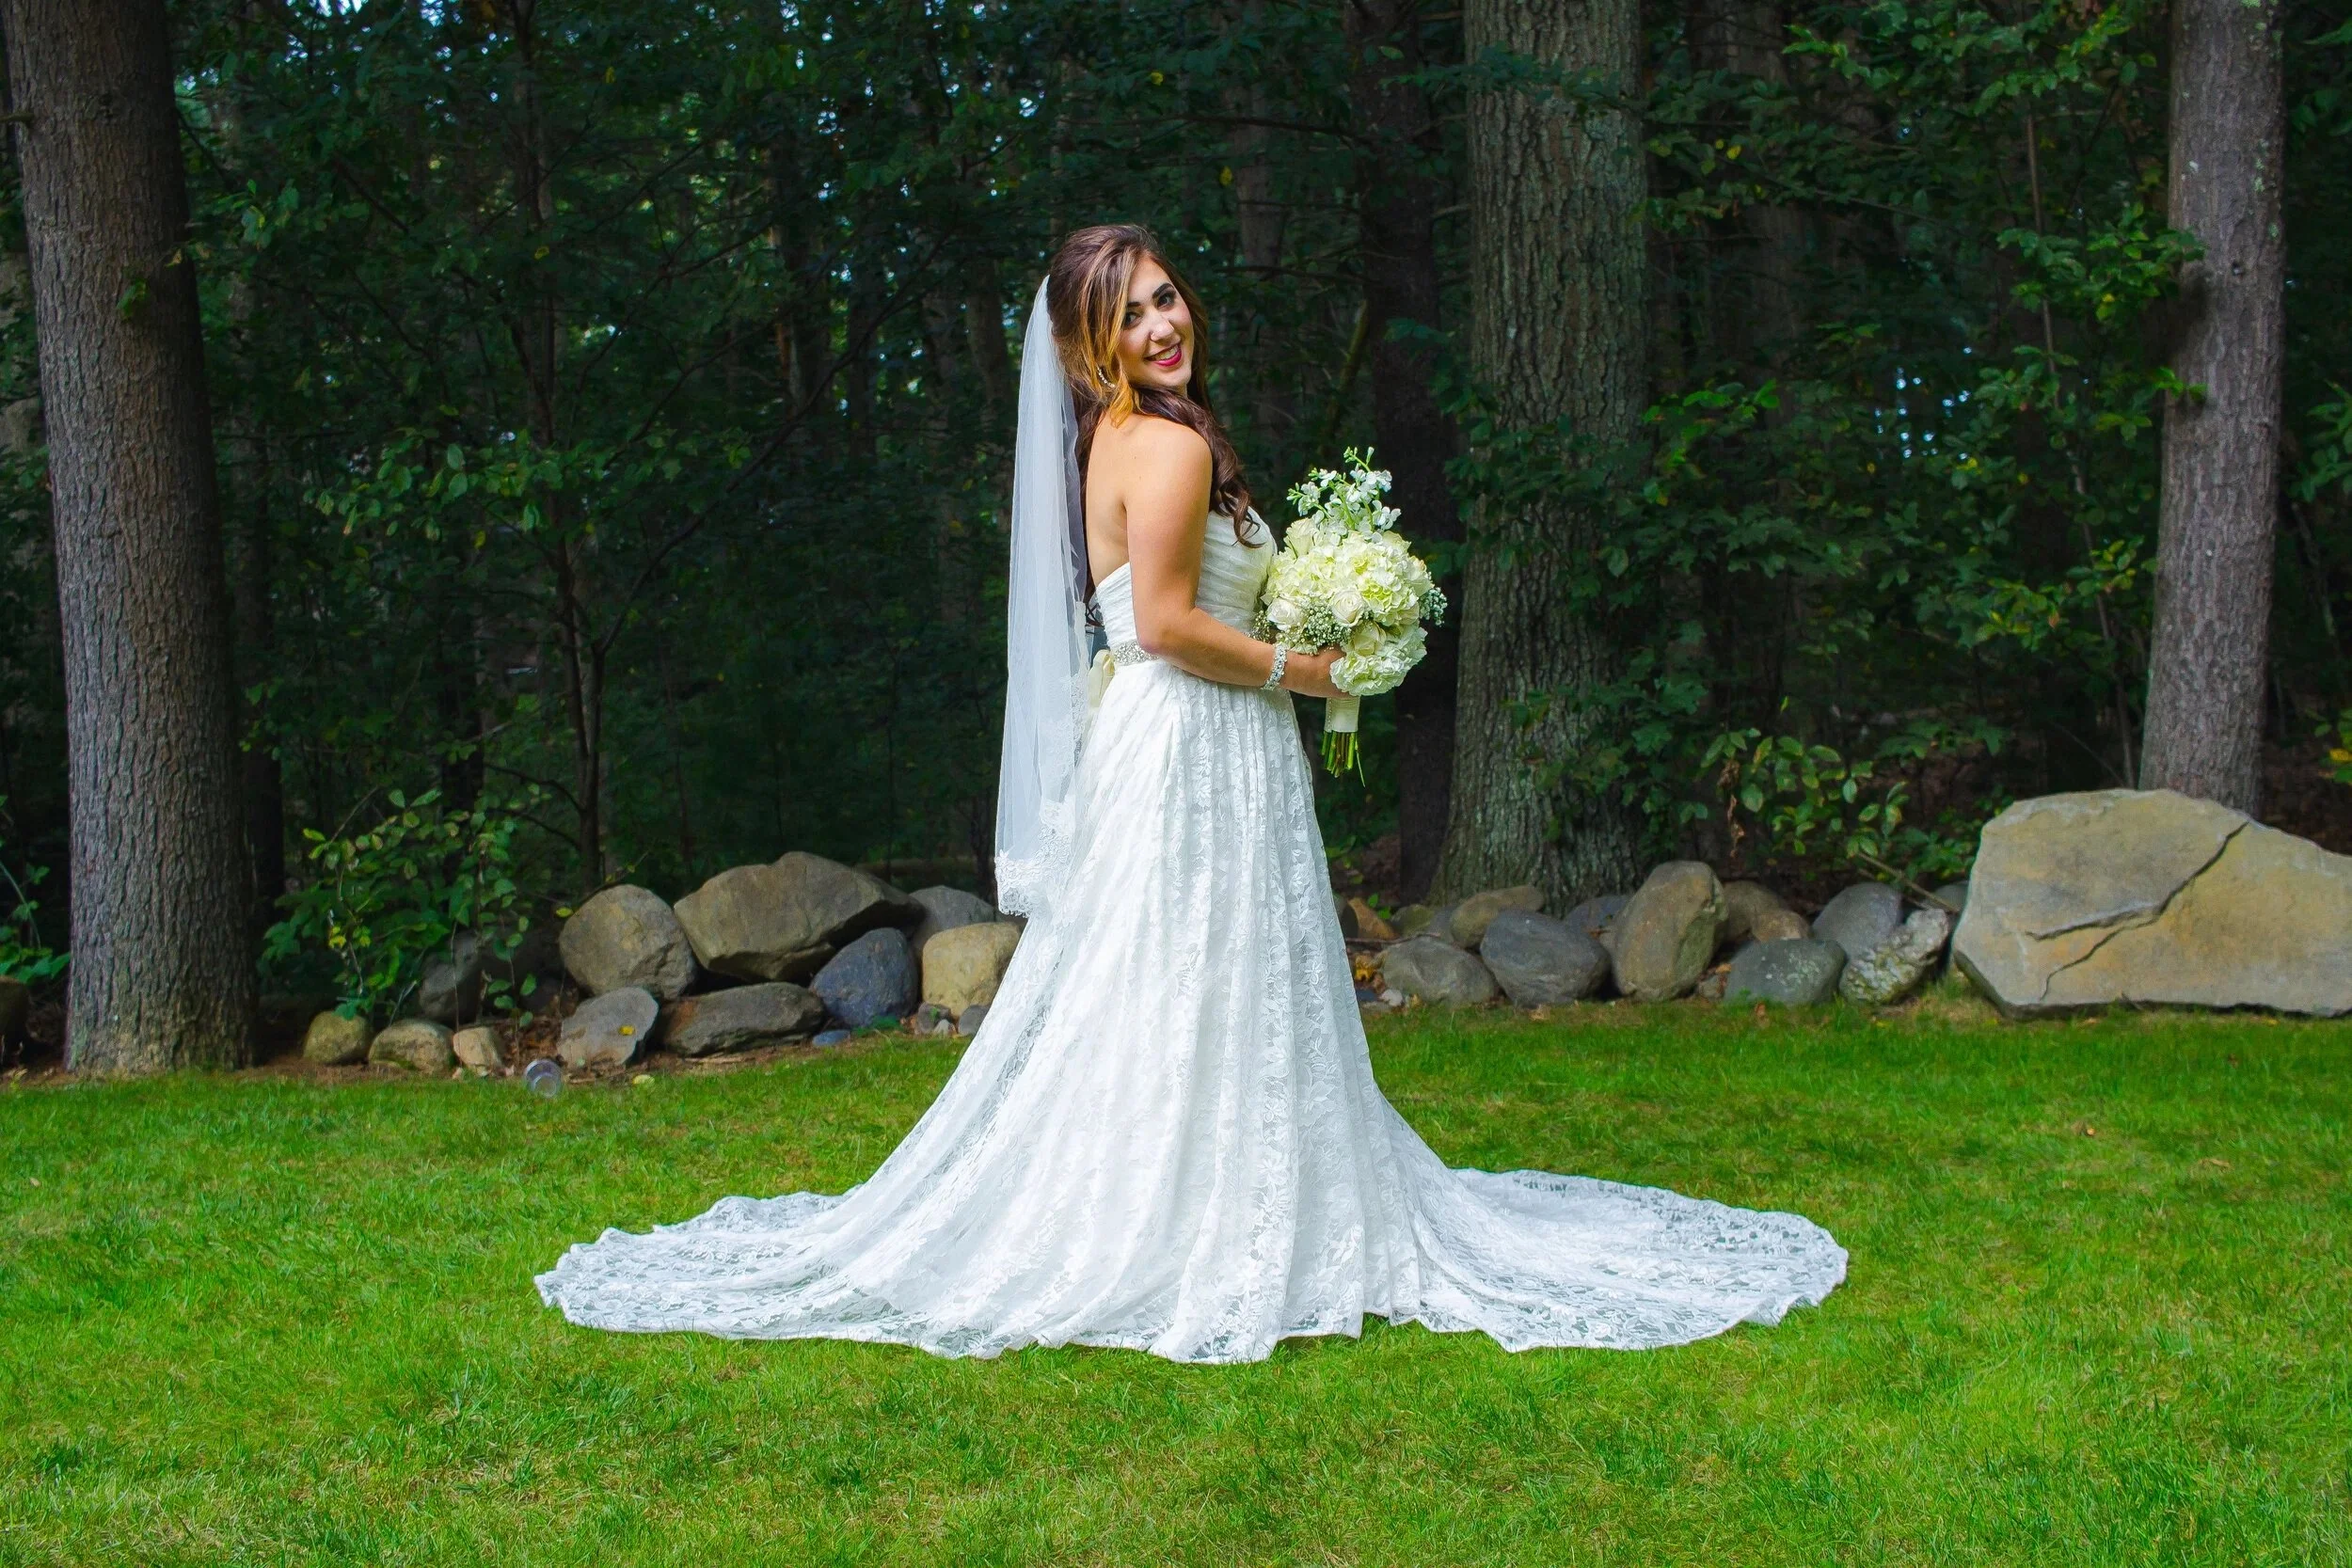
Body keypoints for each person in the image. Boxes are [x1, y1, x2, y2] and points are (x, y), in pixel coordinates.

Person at [535, 224, 1847, 1363]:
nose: (1163, 323)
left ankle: (1191, 1198)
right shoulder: (1157, 449)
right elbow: (1161, 621)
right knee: (1196, 978)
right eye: (1131, 312)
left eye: (1167, 295)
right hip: (1195, 735)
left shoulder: (1133, 437)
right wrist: (1310, 661)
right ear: (1089, 346)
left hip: (1195, 736)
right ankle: (1195, 1222)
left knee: (1188, 983)